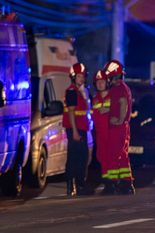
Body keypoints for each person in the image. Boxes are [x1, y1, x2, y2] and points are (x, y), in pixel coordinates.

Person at [103, 59, 135, 195]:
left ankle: (112, 184)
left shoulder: (118, 88)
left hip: (118, 128)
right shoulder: (124, 87)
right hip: (124, 128)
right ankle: (126, 183)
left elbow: (123, 103)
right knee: (122, 156)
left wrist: (120, 120)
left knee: (113, 156)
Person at [62, 62, 92, 196]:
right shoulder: (72, 91)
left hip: (81, 128)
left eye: (83, 76)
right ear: (74, 77)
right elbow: (71, 112)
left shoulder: (79, 91)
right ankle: (76, 185)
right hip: (76, 129)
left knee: (80, 156)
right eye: (79, 76)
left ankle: (76, 185)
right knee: (77, 157)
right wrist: (74, 131)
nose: (82, 78)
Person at [91, 70, 114, 194]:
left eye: (102, 82)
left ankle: (113, 183)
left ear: (107, 83)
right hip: (100, 134)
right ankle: (107, 183)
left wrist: (109, 110)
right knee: (102, 158)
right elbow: (94, 116)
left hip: (112, 133)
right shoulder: (95, 99)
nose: (100, 84)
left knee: (112, 159)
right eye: (98, 82)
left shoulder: (113, 96)